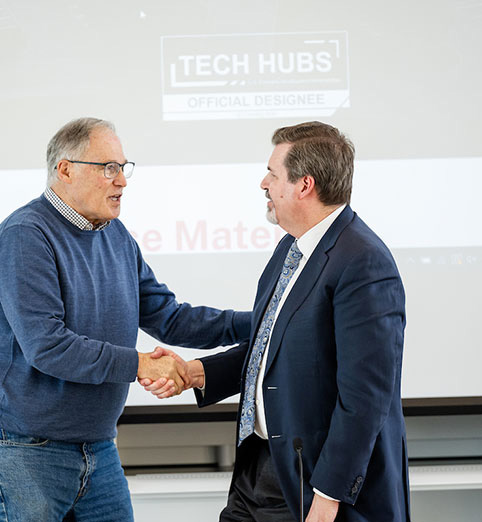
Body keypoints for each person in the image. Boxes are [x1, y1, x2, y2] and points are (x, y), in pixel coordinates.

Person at [0, 117, 251, 522]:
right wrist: (140, 364)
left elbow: (169, 318)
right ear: (65, 170)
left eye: (123, 167)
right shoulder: (26, 235)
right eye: (108, 168)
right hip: (27, 450)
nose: (121, 180)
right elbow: (48, 347)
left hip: (98, 449)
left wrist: (262, 321)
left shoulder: (116, 236)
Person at [141, 122, 410, 522]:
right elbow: (272, 344)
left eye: (272, 173)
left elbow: (366, 397)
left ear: (304, 185)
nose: (263, 183)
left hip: (312, 481)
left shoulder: (363, 262)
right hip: (260, 466)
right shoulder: (292, 246)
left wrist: (328, 495)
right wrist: (195, 373)